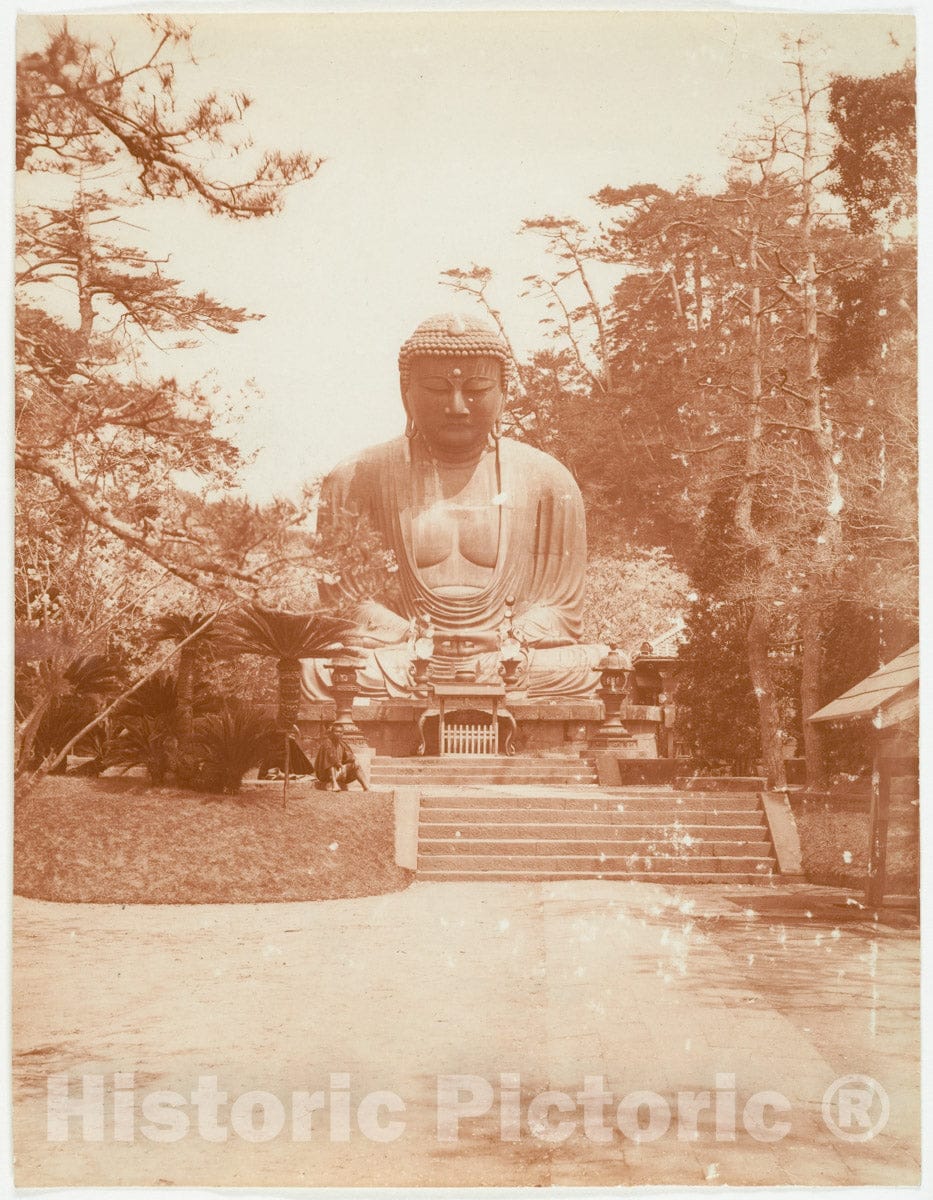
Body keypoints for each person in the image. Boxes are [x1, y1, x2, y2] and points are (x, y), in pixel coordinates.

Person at [302, 313, 620, 701]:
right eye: (436, 388)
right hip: (403, 655)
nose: (457, 406)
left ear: (503, 393)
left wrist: (508, 637)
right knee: (317, 671)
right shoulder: (356, 478)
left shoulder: (548, 481)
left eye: (477, 388)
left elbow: (561, 610)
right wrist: (414, 637)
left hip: (505, 656)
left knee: (596, 663)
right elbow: (347, 605)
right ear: (406, 392)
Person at [313, 727, 369, 791]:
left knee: (356, 765)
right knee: (331, 763)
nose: (338, 734)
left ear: (342, 734)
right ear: (332, 733)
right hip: (325, 773)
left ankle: (365, 787)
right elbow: (329, 758)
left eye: (340, 732)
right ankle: (334, 784)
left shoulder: (342, 744)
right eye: (336, 732)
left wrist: (354, 759)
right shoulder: (327, 743)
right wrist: (338, 764)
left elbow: (349, 756)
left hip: (338, 770)